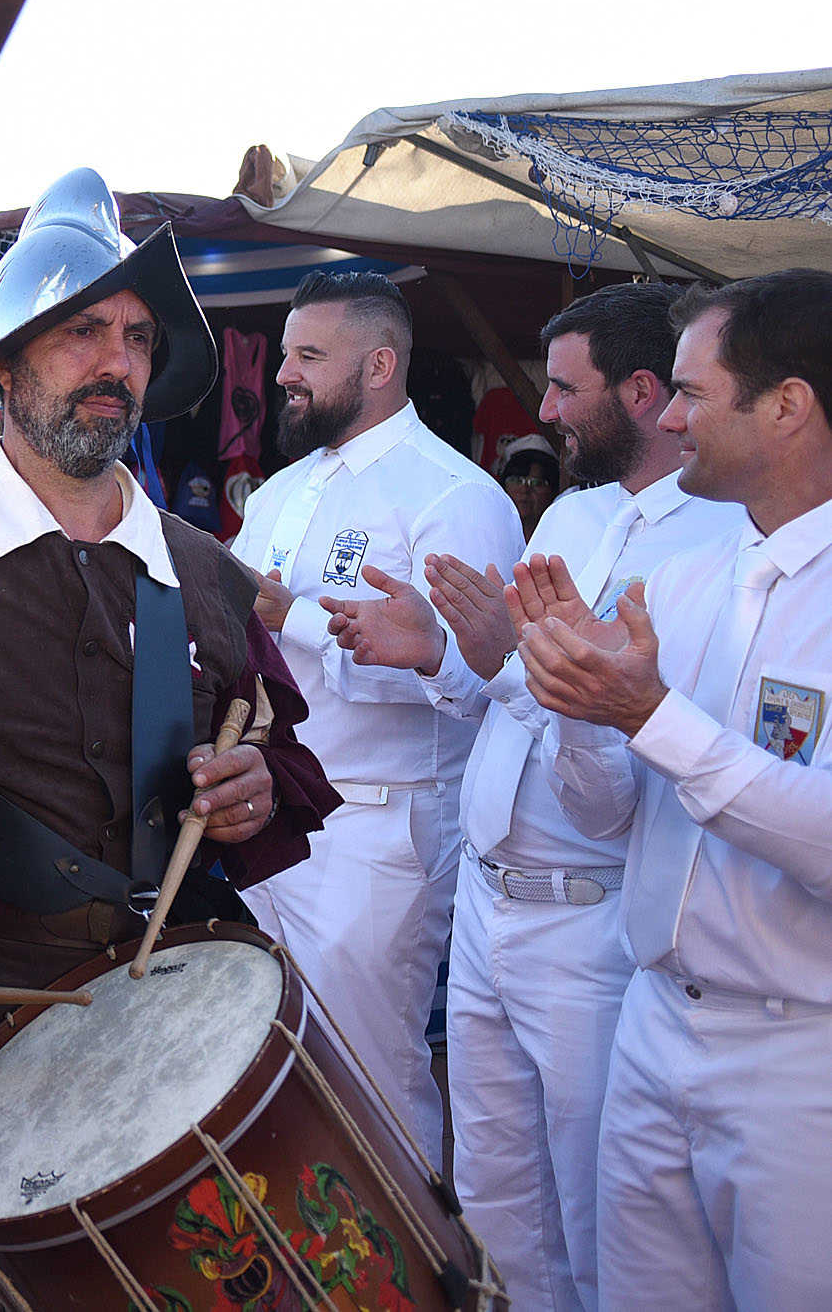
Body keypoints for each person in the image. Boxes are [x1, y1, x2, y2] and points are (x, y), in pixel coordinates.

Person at [0, 170, 336, 1307]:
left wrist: (249, 790)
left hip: (163, 1024)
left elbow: (283, 755)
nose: (116, 361)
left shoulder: (201, 574)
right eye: (82, 331)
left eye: (138, 338)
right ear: (3, 369)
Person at [322, 282, 742, 1311]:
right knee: (497, 1202)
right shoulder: (574, 511)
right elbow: (501, 706)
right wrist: (436, 657)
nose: (542, 411)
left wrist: (512, 665)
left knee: (607, 1223)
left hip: (588, 920)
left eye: (563, 388)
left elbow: (611, 792)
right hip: (487, 908)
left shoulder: (719, 547)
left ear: (641, 393)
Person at [519, 272, 832, 1310]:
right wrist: (580, 703)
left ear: (786, 406)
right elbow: (610, 817)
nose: (669, 416)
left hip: (799, 1063)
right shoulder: (691, 576)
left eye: (694, 393)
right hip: (651, 1027)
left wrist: (650, 715)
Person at [228, 269, 523, 1164]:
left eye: (309, 356)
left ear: (380, 364)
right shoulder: (283, 492)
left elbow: (483, 691)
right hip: (270, 818)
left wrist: (308, 618)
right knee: (267, 1068)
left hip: (377, 827)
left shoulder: (455, 497)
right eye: (286, 355)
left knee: (370, 1075)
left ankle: (407, 1284)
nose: (285, 375)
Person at [499, 433, 563, 540]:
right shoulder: (489, 533)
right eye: (517, 480)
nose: (524, 490)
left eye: (536, 483)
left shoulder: (561, 536)